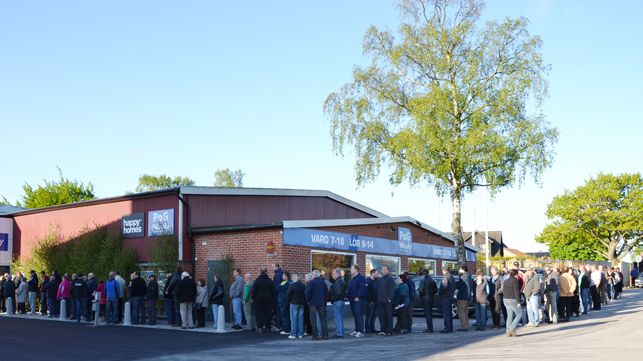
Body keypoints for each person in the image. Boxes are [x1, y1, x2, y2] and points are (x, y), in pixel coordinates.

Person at [305, 270, 329, 340]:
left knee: (313, 320)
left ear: (315, 275)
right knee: (323, 320)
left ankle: (315, 336)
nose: (312, 275)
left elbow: (307, 292)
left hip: (313, 303)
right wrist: (324, 301)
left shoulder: (311, 282)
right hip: (321, 303)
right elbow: (326, 293)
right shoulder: (323, 282)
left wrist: (308, 300)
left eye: (312, 274)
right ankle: (325, 335)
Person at [251, 267, 275, 334]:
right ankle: (268, 327)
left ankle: (260, 327)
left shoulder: (257, 280)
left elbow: (253, 291)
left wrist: (253, 298)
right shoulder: (270, 280)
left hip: (258, 299)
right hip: (268, 299)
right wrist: (273, 298)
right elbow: (273, 291)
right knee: (268, 314)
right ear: (266, 272)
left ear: (260, 272)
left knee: (259, 314)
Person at [375, 266, 396, 336]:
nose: (383, 271)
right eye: (382, 269)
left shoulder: (390, 279)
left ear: (388, 271)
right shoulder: (380, 280)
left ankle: (389, 331)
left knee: (388, 316)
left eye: (385, 269)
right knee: (381, 316)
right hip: (380, 301)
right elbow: (377, 290)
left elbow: (392, 290)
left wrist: (389, 298)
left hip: (387, 302)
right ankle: (383, 330)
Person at [347, 264, 366, 338]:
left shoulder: (361, 278)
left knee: (359, 315)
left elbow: (362, 288)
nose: (351, 270)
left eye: (352, 269)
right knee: (355, 315)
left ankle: (361, 331)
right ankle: (356, 329)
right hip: (352, 300)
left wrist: (358, 296)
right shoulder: (353, 278)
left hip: (358, 300)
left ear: (356, 270)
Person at [502, 269, 521, 337]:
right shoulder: (515, 281)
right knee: (519, 314)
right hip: (512, 300)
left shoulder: (506, 280)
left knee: (509, 316)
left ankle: (508, 332)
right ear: (516, 274)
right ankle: (511, 328)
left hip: (505, 299)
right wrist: (518, 302)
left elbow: (503, 290)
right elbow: (516, 291)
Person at [287, 272, 305, 339]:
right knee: (300, 319)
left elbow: (288, 294)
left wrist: (289, 301)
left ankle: (293, 334)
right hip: (301, 303)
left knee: (293, 319)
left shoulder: (292, 285)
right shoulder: (303, 285)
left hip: (293, 303)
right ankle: (300, 334)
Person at [418, 268, 437, 333]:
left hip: (425, 298)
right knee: (430, 314)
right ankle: (430, 328)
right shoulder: (432, 280)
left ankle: (429, 329)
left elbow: (420, 290)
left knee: (427, 314)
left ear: (423, 273)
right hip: (431, 298)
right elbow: (436, 290)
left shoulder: (423, 281)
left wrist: (422, 296)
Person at [329, 268, 346, 338]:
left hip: (337, 302)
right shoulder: (341, 281)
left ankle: (339, 333)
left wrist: (332, 299)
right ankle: (340, 332)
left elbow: (338, 293)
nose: (332, 275)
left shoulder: (337, 282)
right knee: (339, 318)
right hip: (341, 301)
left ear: (337, 274)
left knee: (337, 318)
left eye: (333, 273)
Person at [438, 266, 455, 333]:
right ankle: (450, 328)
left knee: (446, 314)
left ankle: (447, 328)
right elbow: (454, 286)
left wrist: (440, 293)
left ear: (443, 270)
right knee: (449, 313)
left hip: (445, 297)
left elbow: (444, 286)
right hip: (450, 296)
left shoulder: (445, 277)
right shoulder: (452, 276)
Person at [455, 266, 472, 332]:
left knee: (461, 312)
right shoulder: (469, 276)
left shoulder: (463, 277)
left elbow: (458, 285)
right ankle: (466, 325)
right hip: (467, 297)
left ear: (462, 269)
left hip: (462, 297)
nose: (459, 270)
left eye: (459, 269)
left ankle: (464, 327)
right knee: (465, 312)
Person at [365, 269, 379, 334]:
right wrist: (370, 300)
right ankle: (367, 329)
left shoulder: (376, 281)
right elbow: (366, 293)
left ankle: (372, 328)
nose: (378, 274)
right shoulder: (367, 281)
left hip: (376, 301)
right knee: (369, 316)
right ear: (372, 273)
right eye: (377, 273)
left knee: (374, 316)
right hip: (370, 302)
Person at [272, 263, 284, 331]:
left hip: (278, 295)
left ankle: (278, 326)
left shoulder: (277, 275)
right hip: (281, 294)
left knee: (278, 311)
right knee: (281, 311)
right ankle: (282, 325)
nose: (272, 268)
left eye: (273, 267)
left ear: (277, 267)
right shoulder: (281, 273)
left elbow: (276, 286)